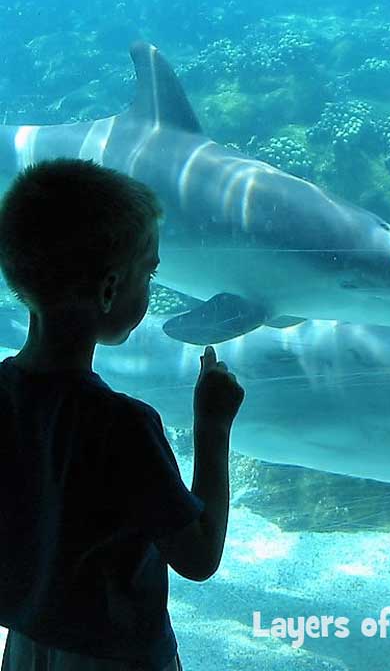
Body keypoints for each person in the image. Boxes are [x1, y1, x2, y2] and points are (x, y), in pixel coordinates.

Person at [0, 159, 245, 670]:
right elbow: (198, 557)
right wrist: (213, 426)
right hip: (119, 656)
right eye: (149, 272)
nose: (150, 285)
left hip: (27, 648)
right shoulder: (122, 424)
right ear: (110, 289)